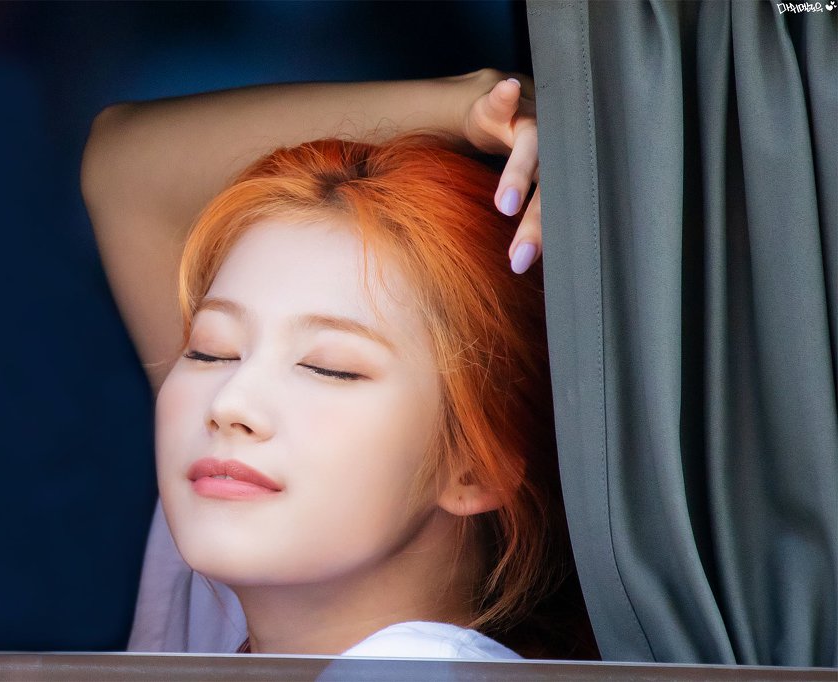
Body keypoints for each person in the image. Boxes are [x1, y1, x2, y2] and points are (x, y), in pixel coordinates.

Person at [82, 70, 593, 659]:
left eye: (329, 368)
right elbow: (124, 167)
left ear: (478, 466)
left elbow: (125, 170)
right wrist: (476, 110)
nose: (229, 403)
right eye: (210, 351)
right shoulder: (237, 605)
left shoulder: (416, 666)